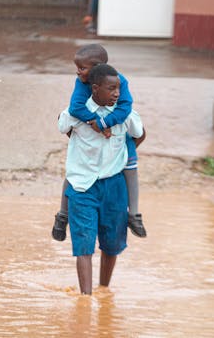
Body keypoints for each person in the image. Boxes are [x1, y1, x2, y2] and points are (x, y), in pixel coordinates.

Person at [58, 63, 145, 294]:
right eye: (111, 88)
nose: (117, 93)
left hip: (114, 185)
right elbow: (62, 125)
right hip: (82, 187)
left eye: (118, 88)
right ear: (95, 89)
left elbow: (140, 133)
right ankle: (85, 299)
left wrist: (123, 154)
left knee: (112, 244)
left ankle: (104, 290)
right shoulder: (76, 114)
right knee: (83, 245)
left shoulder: (125, 116)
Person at [51, 44, 147, 243]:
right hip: (94, 129)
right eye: (77, 67)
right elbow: (76, 107)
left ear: (97, 67)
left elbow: (125, 107)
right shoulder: (81, 82)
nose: (77, 72)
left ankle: (134, 214)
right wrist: (93, 122)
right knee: (75, 171)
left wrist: (106, 124)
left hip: (119, 132)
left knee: (131, 168)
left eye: (82, 68)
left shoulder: (120, 82)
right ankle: (63, 215)